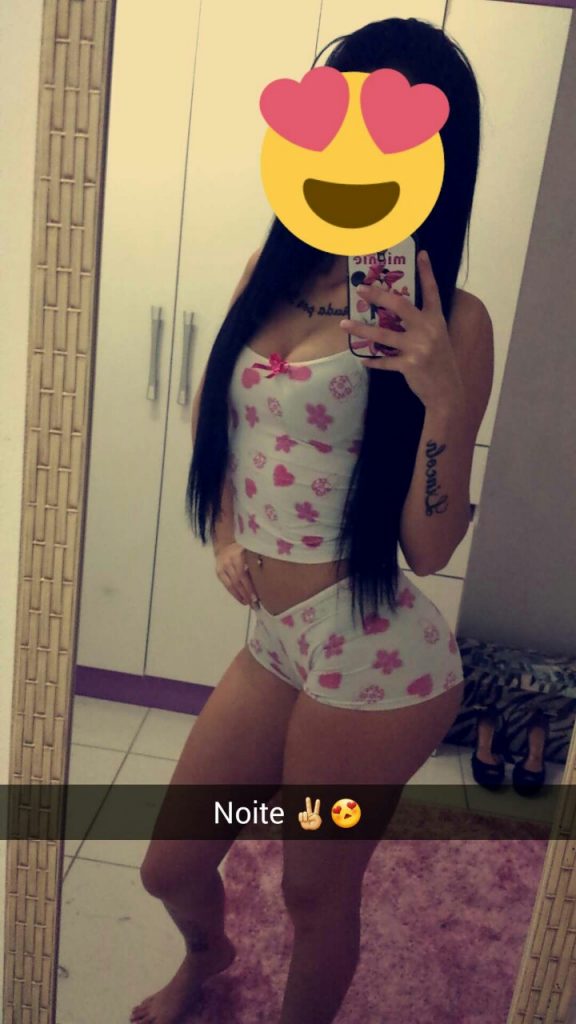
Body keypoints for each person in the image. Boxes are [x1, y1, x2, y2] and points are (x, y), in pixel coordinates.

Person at [131, 16, 493, 1024]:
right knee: (170, 865)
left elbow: (430, 546)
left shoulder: (455, 320)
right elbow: (222, 408)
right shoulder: (275, 269)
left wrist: (443, 400)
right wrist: (225, 531)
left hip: (375, 659)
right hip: (277, 642)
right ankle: (210, 958)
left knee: (313, 889)